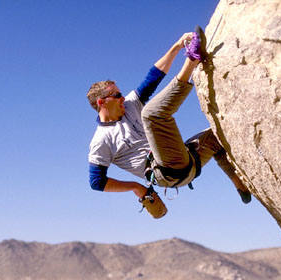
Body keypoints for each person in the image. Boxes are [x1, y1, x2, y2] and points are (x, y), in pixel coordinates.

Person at [86, 26, 251, 210]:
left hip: (189, 161)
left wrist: (177, 46)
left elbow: (154, 77)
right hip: (166, 173)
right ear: (101, 102)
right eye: (116, 95)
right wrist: (136, 187)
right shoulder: (101, 140)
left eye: (121, 93)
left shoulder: (130, 105)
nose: (122, 97)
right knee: (151, 114)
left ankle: (240, 185)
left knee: (216, 135)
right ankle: (192, 59)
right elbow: (96, 181)